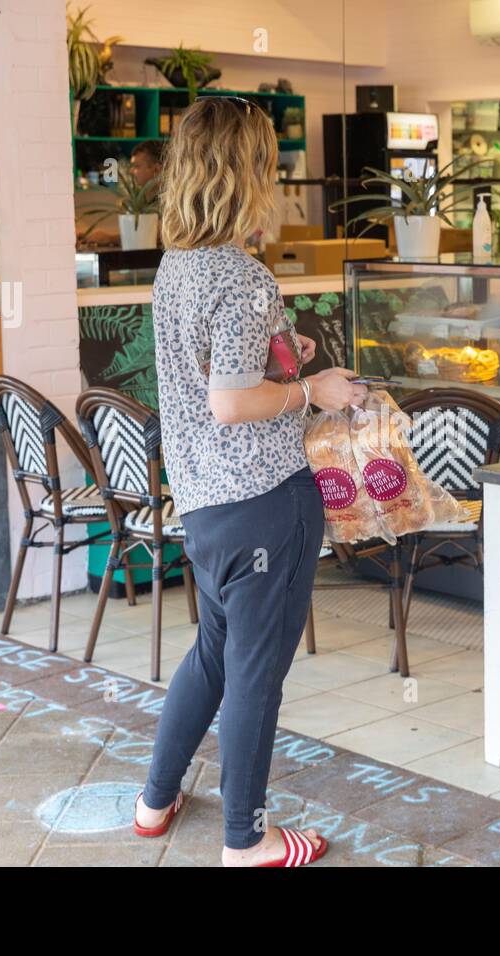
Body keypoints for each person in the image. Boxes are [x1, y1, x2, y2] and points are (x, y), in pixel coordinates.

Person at [134, 96, 367, 866]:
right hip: (266, 503)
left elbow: (214, 372)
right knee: (255, 675)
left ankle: (155, 799)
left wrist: (280, 350)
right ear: (247, 171)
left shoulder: (179, 266)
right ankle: (248, 838)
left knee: (214, 654)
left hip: (204, 506)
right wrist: (313, 388)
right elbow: (232, 402)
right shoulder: (241, 275)